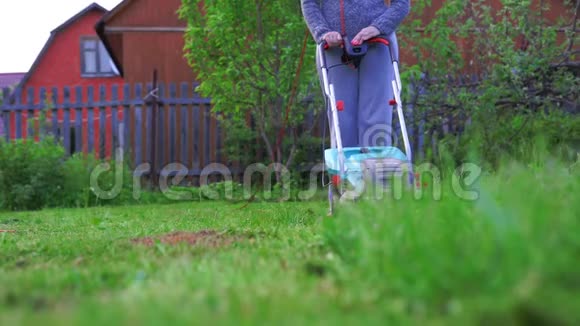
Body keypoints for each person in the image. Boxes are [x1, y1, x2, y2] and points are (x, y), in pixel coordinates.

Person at [301, 0, 410, 148]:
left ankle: (376, 168)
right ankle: (346, 169)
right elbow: (309, 3)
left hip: (378, 42)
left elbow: (401, 3)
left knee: (376, 119)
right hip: (334, 47)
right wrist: (323, 31)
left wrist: (378, 27)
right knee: (341, 118)